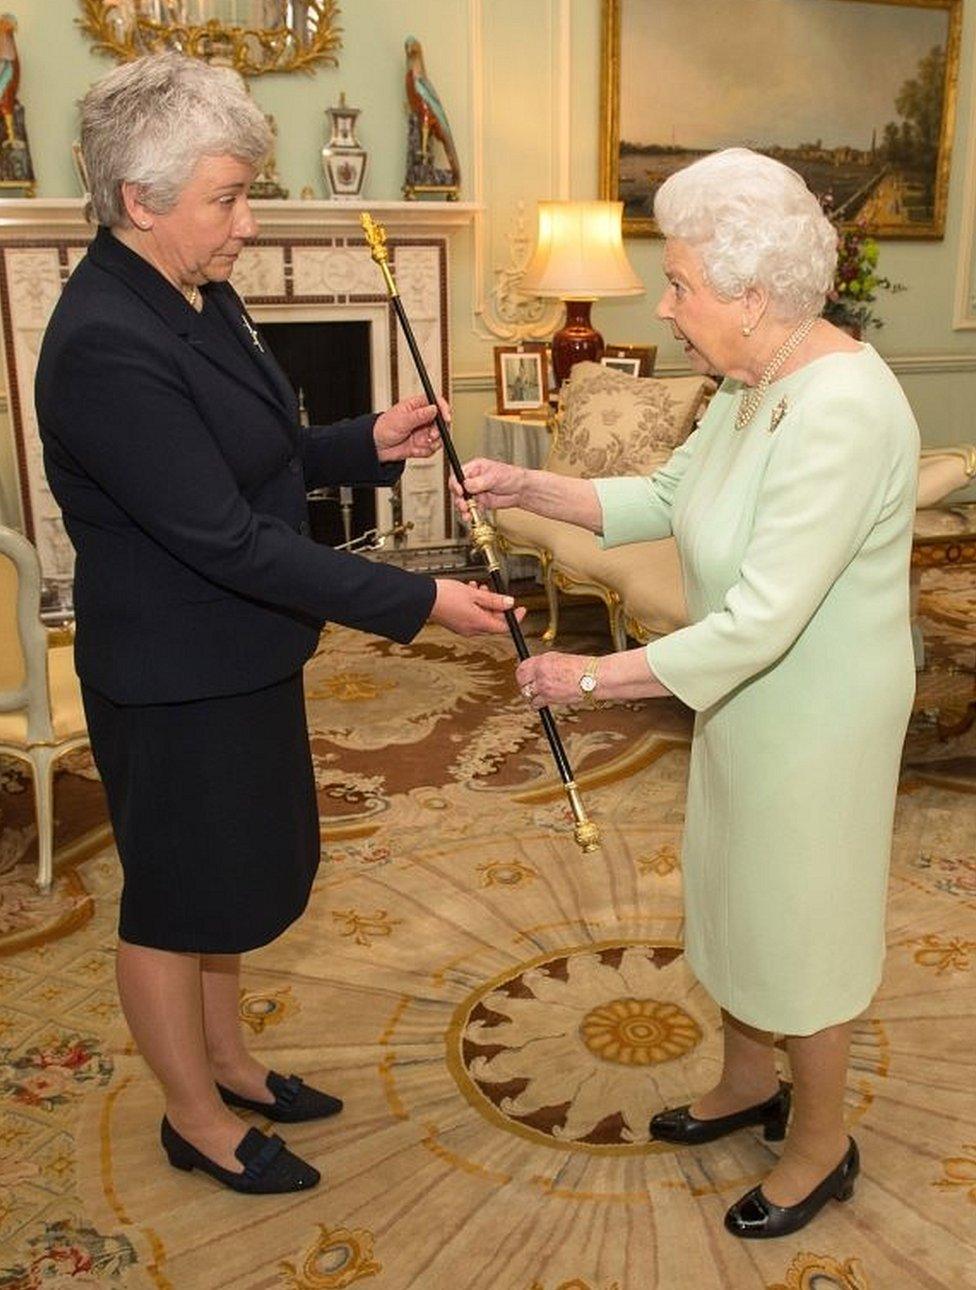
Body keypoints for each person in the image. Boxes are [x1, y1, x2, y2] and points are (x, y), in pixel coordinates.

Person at [36, 53, 519, 1196]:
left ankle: (234, 1063)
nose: (247, 222)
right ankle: (195, 1118)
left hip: (240, 653)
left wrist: (364, 440)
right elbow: (225, 539)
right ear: (139, 201)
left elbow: (255, 460)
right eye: (227, 197)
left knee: (234, 880)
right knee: (174, 898)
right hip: (173, 673)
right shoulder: (107, 339)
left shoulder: (193, 289)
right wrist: (422, 601)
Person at [454, 148, 918, 1239]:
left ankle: (818, 1145)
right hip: (747, 694)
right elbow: (668, 491)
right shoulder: (756, 381)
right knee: (734, 890)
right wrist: (534, 486)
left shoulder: (841, 407)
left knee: (804, 920)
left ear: (754, 299)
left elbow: (761, 618)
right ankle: (746, 1082)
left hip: (817, 707)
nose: (665, 308)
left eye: (682, 287)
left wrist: (588, 676)